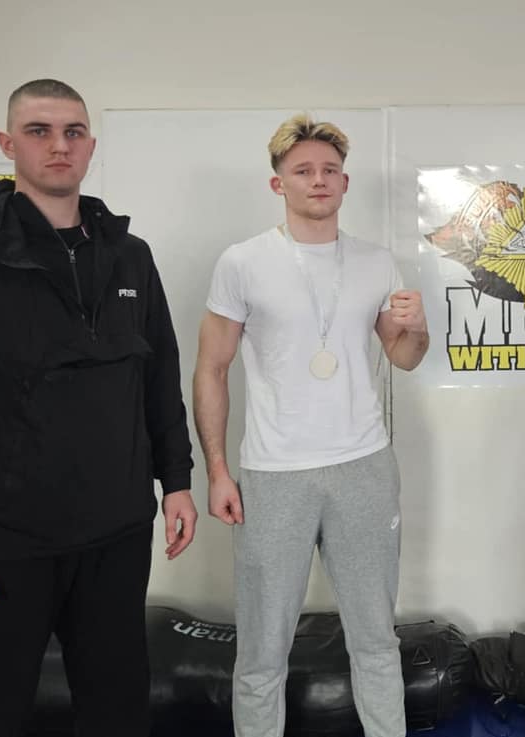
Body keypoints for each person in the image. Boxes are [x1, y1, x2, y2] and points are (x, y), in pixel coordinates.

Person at [0, 79, 197, 737]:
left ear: (90, 147)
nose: (59, 146)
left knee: (118, 715)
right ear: (7, 144)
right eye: (39, 131)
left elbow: (158, 375)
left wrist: (176, 480)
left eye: (73, 132)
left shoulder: (129, 257)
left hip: (116, 536)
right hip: (2, 545)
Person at [193, 113, 429, 737]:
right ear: (279, 184)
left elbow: (404, 357)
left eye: (330, 170)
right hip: (274, 474)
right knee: (262, 648)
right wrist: (217, 470)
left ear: (345, 182)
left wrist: (417, 328)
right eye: (303, 171)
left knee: (376, 639)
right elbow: (211, 369)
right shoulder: (242, 263)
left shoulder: (376, 262)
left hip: (364, 466)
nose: (318, 180)